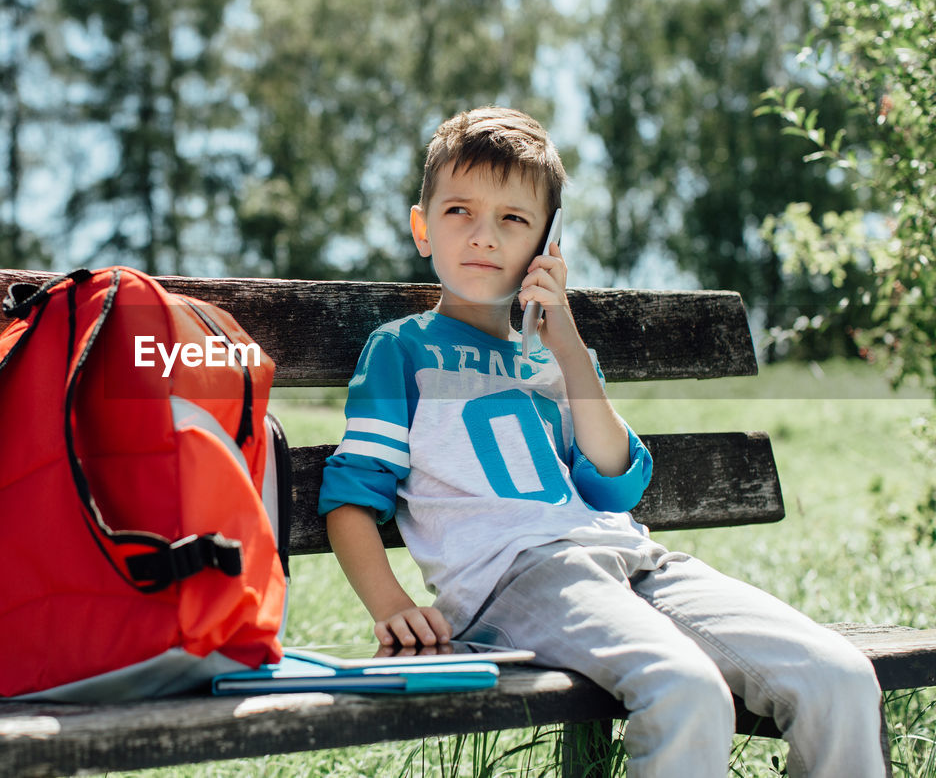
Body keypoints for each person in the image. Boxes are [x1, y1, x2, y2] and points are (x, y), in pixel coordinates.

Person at [318, 106, 885, 778]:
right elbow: (351, 495)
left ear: (546, 248)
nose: (483, 236)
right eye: (460, 212)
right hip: (516, 584)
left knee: (841, 677)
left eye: (514, 220)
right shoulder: (401, 350)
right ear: (422, 226)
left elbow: (616, 481)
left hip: (637, 561)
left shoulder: (554, 360)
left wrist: (568, 347)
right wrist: (393, 607)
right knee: (687, 689)